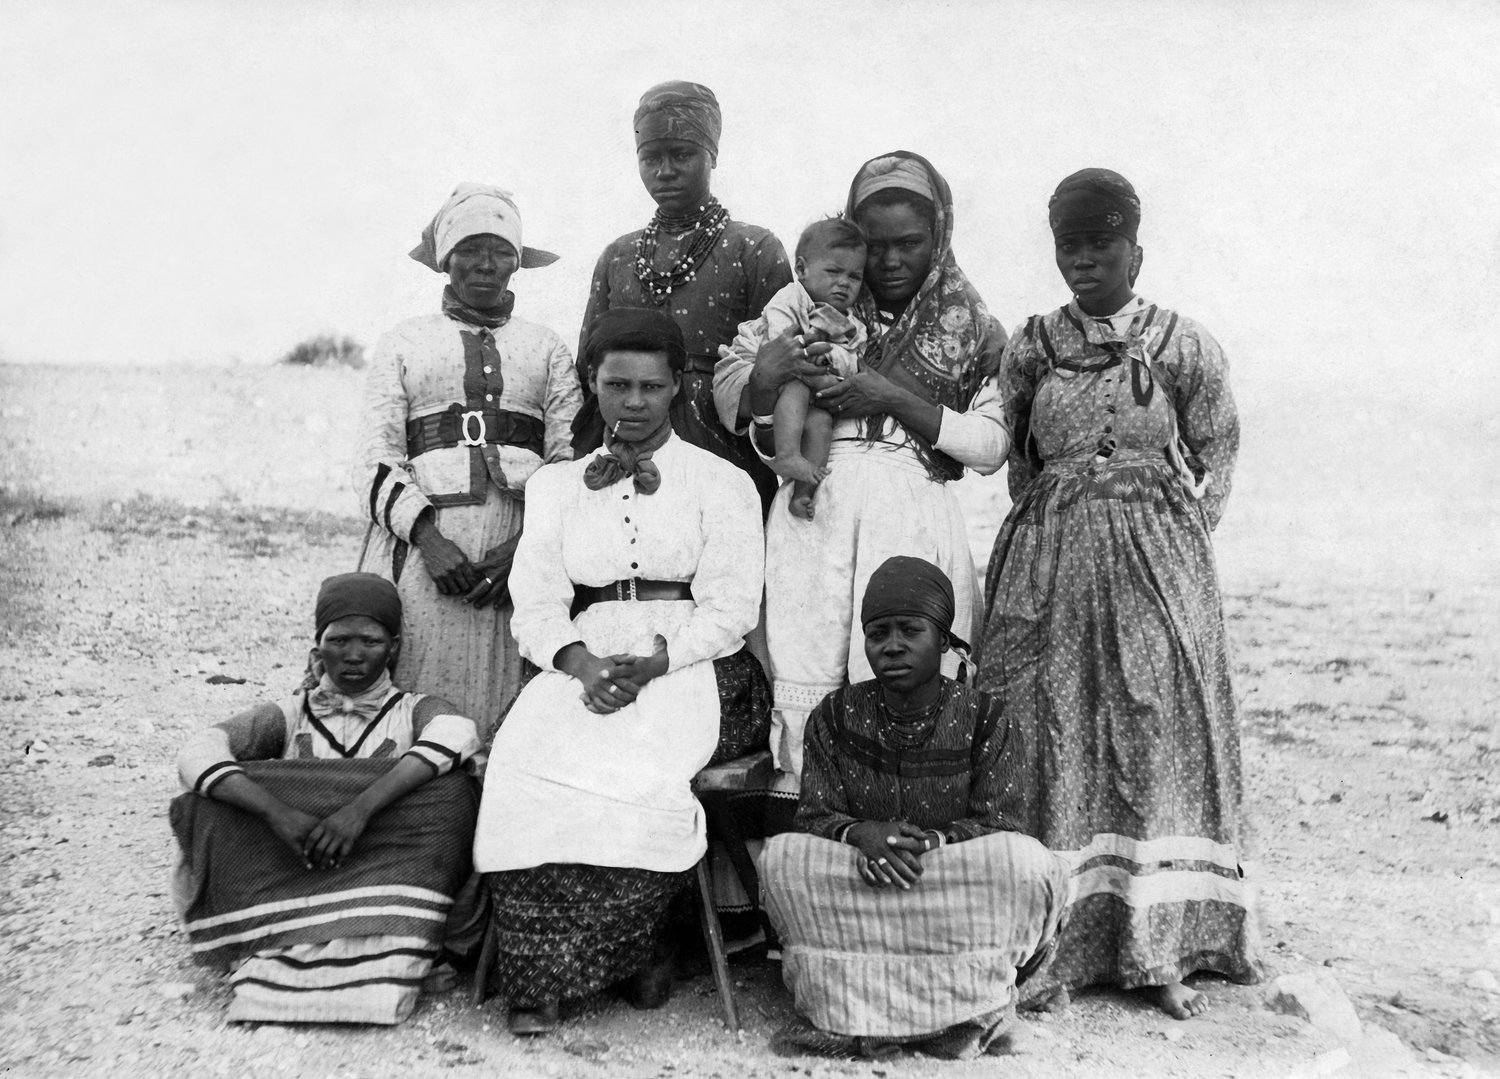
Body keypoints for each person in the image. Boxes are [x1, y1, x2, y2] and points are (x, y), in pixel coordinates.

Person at [974, 169, 1262, 1020]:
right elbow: (1021, 457)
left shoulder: (1183, 346)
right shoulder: (1032, 345)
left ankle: (1159, 944)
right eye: (1070, 244)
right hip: (1050, 563)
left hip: (1156, 569)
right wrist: (1062, 518)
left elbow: (1217, 450)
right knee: (1047, 726)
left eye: (1102, 242)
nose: (1085, 258)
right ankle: (1056, 944)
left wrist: (1175, 534)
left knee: (1154, 727)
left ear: (1136, 249)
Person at [471, 308, 764, 1035]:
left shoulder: (722, 481)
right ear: (591, 385)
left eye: (651, 386)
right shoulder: (556, 485)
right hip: (586, 653)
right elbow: (537, 602)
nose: (634, 402)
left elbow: (733, 606)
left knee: (634, 763)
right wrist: (581, 663)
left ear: (677, 387)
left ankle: (643, 949)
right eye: (616, 385)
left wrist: (661, 660)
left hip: (692, 660)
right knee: (527, 757)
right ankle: (540, 976)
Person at [714, 151, 1010, 810]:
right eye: (877, 246)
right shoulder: (808, 305)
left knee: (907, 677)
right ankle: (811, 836)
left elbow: (992, 445)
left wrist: (888, 394)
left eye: (912, 243)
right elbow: (752, 418)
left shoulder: (974, 327)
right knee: (808, 665)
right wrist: (766, 383)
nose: (892, 260)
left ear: (939, 237)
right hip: (813, 509)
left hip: (912, 515)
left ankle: (909, 835)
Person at [760, 557, 1069, 1060]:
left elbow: (1001, 823)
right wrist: (863, 834)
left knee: (1027, 863)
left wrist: (930, 843)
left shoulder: (987, 717)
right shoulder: (834, 716)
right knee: (781, 858)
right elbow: (815, 816)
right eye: (878, 633)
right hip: (865, 879)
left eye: (911, 630)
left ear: (943, 640)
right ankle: (902, 1010)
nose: (893, 645)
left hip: (949, 881)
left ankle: (952, 1004)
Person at [171, 573, 482, 1024]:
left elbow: (458, 733)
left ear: (394, 648)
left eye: (370, 641)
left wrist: (358, 810)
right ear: (316, 650)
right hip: (297, 865)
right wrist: (279, 813)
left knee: (453, 794)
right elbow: (197, 752)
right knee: (208, 804)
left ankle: (394, 946)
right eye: (338, 641)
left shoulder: (413, 709)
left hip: (383, 868)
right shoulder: (289, 713)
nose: (353, 655)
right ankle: (271, 945)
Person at [353, 183, 582, 743]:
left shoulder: (548, 347)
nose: (485, 264)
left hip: (518, 545)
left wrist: (526, 550)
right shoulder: (404, 342)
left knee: (512, 706)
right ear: (445, 259)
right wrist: (429, 541)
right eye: (470, 249)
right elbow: (375, 457)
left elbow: (568, 459)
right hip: (422, 547)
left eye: (500, 251)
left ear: (517, 262)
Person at [571, 79, 793, 514]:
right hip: (628, 444)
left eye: (682, 154)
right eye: (651, 157)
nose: (665, 170)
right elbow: (588, 367)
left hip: (727, 444)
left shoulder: (754, 249)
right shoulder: (618, 256)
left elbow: (778, 366)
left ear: (713, 156)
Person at [737, 217, 868, 519]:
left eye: (854, 276)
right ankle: (787, 455)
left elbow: (853, 359)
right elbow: (781, 344)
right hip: (762, 372)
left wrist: (831, 357)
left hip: (804, 392)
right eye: (833, 271)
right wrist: (814, 362)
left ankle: (802, 493)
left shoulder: (850, 322)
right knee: (796, 384)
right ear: (801, 268)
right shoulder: (792, 298)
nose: (844, 282)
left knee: (821, 423)